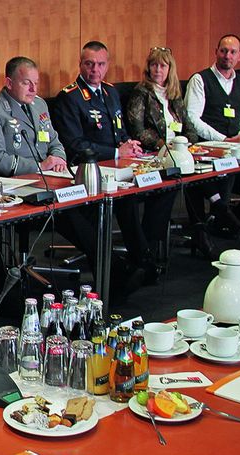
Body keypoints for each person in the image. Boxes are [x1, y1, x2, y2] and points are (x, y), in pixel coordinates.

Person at [0, 56, 107, 286]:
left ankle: (108, 271)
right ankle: (108, 271)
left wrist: (57, 159)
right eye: (27, 83)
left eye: (36, 82)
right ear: (9, 83)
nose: (34, 89)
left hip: (51, 180)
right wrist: (41, 166)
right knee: (74, 215)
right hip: (15, 187)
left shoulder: (39, 105)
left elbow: (55, 141)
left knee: (90, 205)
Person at [53, 41, 154, 287]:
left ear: (107, 66)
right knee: (124, 198)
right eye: (89, 64)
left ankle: (142, 261)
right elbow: (75, 144)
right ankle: (127, 267)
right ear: (80, 65)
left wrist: (129, 145)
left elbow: (118, 132)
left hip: (116, 169)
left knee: (135, 195)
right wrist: (116, 152)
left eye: (100, 64)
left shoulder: (110, 93)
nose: (94, 69)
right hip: (86, 172)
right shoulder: (70, 97)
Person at [125, 47, 199, 259]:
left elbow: (189, 127)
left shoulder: (175, 95)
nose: (157, 69)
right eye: (154, 65)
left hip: (178, 154)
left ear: (170, 69)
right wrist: (162, 145)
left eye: (162, 65)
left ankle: (197, 229)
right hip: (151, 155)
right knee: (169, 185)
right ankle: (150, 244)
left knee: (192, 178)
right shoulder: (141, 93)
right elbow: (137, 130)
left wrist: (188, 144)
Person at [184, 34, 240, 242]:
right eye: (223, 51)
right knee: (202, 174)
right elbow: (192, 118)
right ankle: (217, 217)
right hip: (206, 146)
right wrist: (224, 139)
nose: (227, 55)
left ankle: (233, 212)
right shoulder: (200, 79)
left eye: (233, 52)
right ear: (216, 52)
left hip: (235, 147)